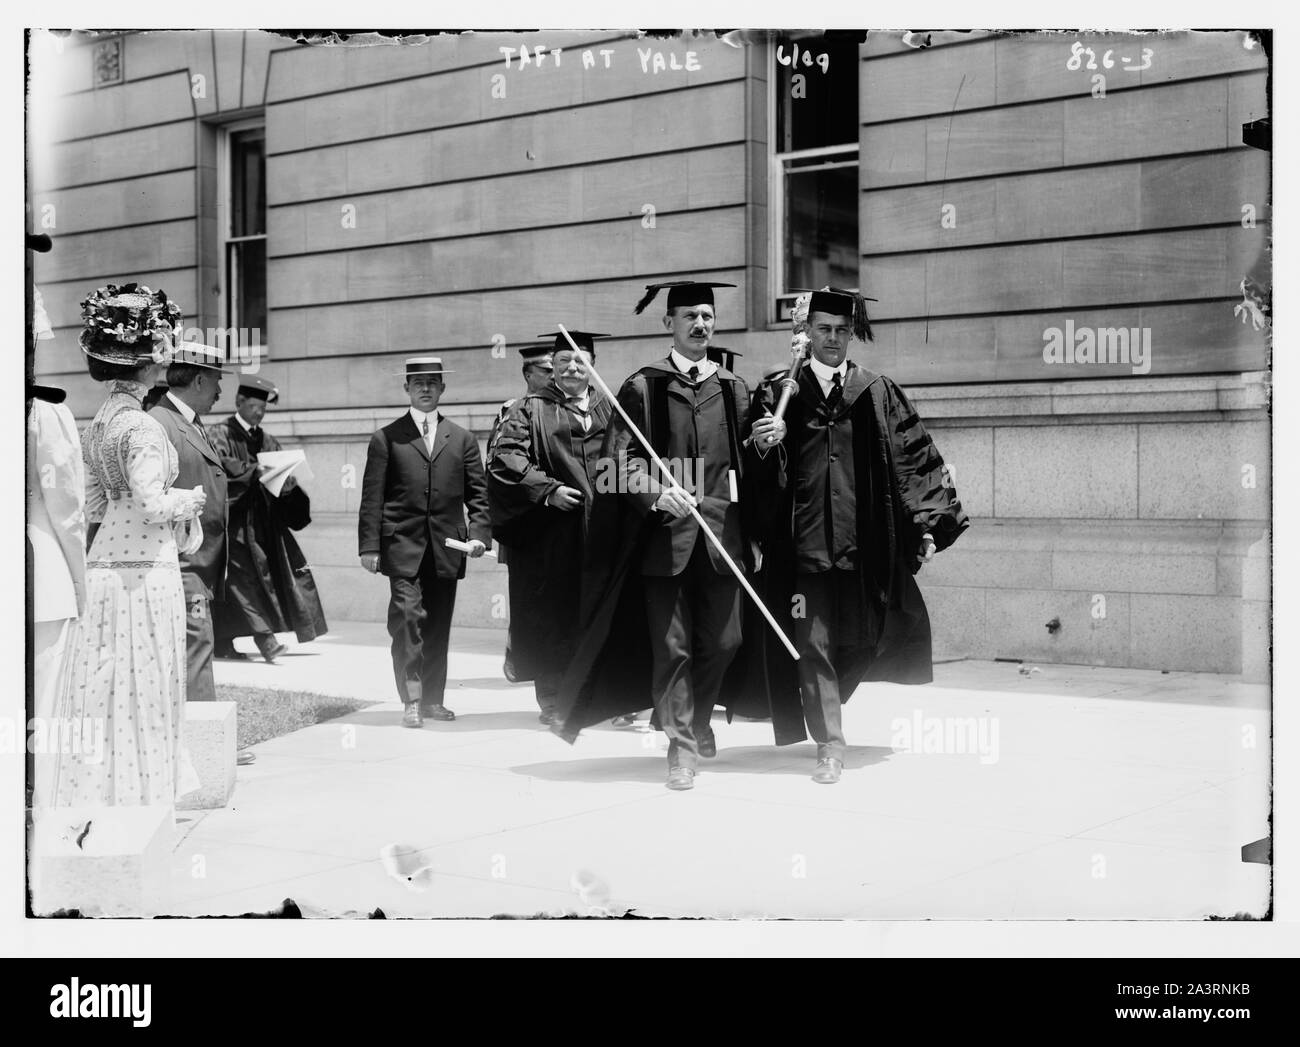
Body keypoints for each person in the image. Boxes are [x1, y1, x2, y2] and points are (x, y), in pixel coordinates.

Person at [552, 281, 784, 791]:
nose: (701, 324)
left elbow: (750, 460)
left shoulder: (734, 387)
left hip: (724, 538)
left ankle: (696, 720)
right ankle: (681, 749)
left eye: (707, 315)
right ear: (669, 325)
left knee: (726, 640)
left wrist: (767, 445)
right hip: (666, 544)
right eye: (689, 317)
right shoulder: (643, 387)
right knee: (673, 648)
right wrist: (657, 493)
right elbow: (618, 461)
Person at [749, 288, 970, 783]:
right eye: (823, 329)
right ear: (805, 334)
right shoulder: (778, 393)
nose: (832, 339)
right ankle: (830, 740)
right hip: (801, 551)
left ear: (852, 334)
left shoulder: (876, 392)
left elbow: (915, 459)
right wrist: (766, 447)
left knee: (865, 638)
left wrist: (931, 524)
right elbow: (751, 469)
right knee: (814, 641)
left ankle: (822, 701)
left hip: (863, 548)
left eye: (841, 330)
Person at [47, 284, 205, 808]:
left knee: (108, 681)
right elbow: (153, 503)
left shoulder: (98, 424)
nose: (165, 360)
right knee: (148, 678)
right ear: (145, 363)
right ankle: (146, 791)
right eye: (159, 350)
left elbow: (94, 506)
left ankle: (108, 791)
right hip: (146, 567)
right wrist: (192, 500)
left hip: (104, 565)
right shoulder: (140, 424)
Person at [358, 357, 491, 727]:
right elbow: (373, 497)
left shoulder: (462, 439)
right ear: (407, 388)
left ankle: (433, 700)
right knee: (407, 620)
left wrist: (479, 535)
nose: (426, 389)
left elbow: (478, 495)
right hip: (401, 546)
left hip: (448, 548)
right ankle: (412, 699)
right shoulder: (386, 438)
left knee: (437, 625)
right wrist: (369, 547)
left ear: (442, 388)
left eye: (433, 382)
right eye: (419, 383)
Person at [487, 332, 612, 725]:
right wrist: (547, 490)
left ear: (592, 364)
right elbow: (505, 459)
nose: (573, 367)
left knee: (599, 613)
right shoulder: (529, 408)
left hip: (603, 530)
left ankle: (597, 692)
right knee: (553, 615)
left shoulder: (611, 407)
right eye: (564, 362)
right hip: (552, 534)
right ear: (552, 367)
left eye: (581, 360)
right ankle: (554, 699)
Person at [148, 340, 255, 766]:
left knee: (194, 650)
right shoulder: (162, 423)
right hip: (182, 562)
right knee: (196, 648)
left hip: (198, 564)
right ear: (196, 379)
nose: (219, 392)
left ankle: (198, 744)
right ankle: (204, 748)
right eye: (215, 381)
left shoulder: (184, 421)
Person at [208, 373, 327, 663]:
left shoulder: (268, 440)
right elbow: (221, 469)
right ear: (239, 402)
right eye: (254, 407)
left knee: (268, 579)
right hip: (233, 524)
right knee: (241, 581)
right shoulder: (219, 434)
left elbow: (279, 475)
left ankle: (223, 642)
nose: (259, 412)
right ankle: (266, 641)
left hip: (263, 524)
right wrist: (253, 472)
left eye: (263, 408)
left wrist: (285, 480)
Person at [26, 233, 85, 811]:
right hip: (40, 569)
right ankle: (43, 804)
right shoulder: (43, 412)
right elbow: (66, 510)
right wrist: (82, 583)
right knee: (47, 698)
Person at [487, 343, 554, 682]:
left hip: (557, 521)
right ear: (529, 374)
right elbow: (499, 467)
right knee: (527, 600)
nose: (555, 375)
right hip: (525, 520)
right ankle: (518, 656)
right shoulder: (513, 410)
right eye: (547, 370)